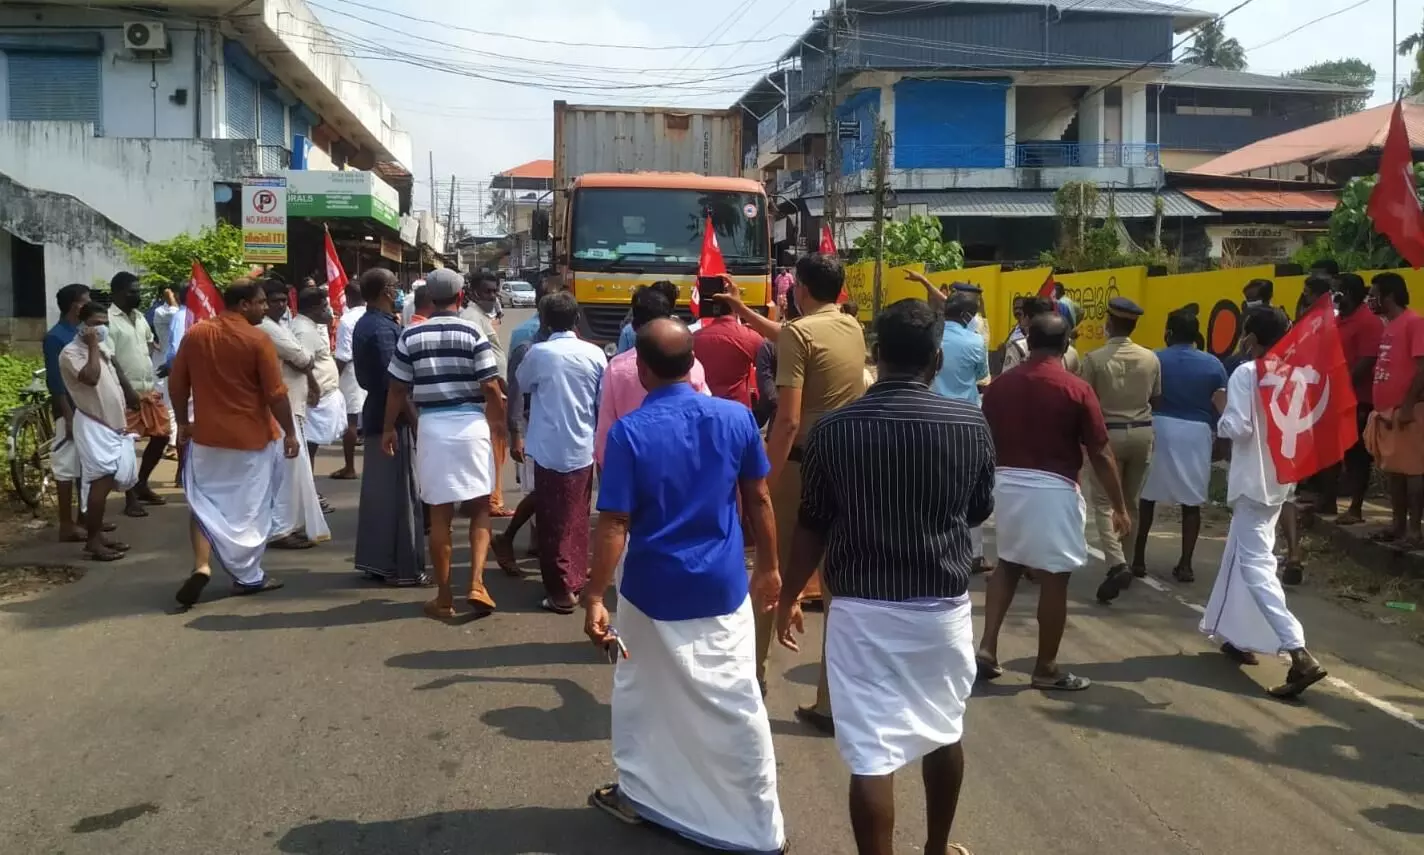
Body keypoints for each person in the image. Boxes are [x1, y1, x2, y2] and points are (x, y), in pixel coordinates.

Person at [776, 300, 990, 855]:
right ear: (937, 359)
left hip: (860, 608)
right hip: (941, 607)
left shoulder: (834, 431)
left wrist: (789, 595)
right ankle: (937, 850)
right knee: (944, 730)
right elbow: (976, 511)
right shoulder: (970, 424)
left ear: (876, 355)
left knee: (871, 753)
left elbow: (811, 527)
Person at [582, 317, 786, 855]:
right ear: (691, 362)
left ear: (642, 370)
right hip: (722, 586)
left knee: (645, 698)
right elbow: (759, 499)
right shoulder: (736, 418)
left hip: (651, 592)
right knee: (734, 700)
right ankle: (756, 823)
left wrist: (595, 595)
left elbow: (615, 525)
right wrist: (769, 566)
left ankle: (647, 796)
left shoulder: (629, 433)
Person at [979, 313, 1130, 692]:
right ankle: (1045, 668)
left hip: (1006, 484)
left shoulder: (999, 387)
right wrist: (1119, 505)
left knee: (1008, 565)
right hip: (1054, 488)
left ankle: (987, 647)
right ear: (1066, 345)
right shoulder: (1076, 388)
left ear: (1027, 342)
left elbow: (985, 438)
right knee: (1054, 576)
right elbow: (1100, 452)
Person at [762, 253, 866, 724]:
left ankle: (752, 679)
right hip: (849, 464)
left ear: (799, 288)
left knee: (771, 571)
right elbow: (793, 342)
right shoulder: (850, 328)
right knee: (837, 584)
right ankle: (829, 700)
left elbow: (785, 421)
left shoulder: (799, 333)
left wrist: (764, 480)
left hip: (804, 465)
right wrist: (748, 317)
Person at [1201, 308, 1327, 697]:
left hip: (1253, 480)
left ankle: (1298, 650)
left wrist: (1221, 407)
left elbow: (1238, 427)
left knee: (1255, 565)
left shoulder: (1246, 372)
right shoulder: (1296, 373)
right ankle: (1235, 635)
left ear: (1251, 337)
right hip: (1279, 478)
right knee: (1240, 558)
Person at [385, 268, 508, 620]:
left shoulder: (412, 334)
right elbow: (489, 384)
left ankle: (443, 597)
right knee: (480, 508)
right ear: (460, 297)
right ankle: (476, 584)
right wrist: (498, 421)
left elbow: (396, 388)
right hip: (470, 424)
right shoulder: (472, 330)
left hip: (432, 427)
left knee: (440, 514)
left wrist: (389, 428)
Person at [170, 280, 298, 607]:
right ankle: (248, 576)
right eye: (260, 302)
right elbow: (275, 394)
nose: (266, 308)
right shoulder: (258, 339)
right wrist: (291, 432)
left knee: (203, 504)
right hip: (251, 439)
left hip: (206, 438)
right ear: (243, 305)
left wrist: (183, 423)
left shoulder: (196, 334)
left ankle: (201, 565)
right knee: (250, 510)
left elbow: (177, 382)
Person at [515, 291, 607, 613]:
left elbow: (522, 383)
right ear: (577, 319)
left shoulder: (540, 353)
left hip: (549, 447)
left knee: (554, 520)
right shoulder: (595, 354)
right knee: (577, 515)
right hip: (582, 444)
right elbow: (601, 399)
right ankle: (575, 578)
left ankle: (561, 592)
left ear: (544, 321)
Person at [1129, 310, 1228, 586]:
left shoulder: (1156, 358)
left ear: (1169, 333)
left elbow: (1144, 395)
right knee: (1192, 500)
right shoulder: (1213, 364)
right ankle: (1185, 564)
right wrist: (1221, 438)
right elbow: (1221, 405)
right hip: (1196, 433)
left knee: (1147, 497)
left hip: (1159, 427)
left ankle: (1137, 559)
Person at [1079, 298, 1161, 602]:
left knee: (1103, 501)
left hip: (1108, 435)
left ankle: (1117, 563)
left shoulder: (1095, 359)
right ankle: (1126, 559)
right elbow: (1157, 398)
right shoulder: (1151, 358)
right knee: (1130, 501)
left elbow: (1085, 403)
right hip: (1142, 433)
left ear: (1109, 323)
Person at [352, 269, 427, 587]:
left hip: (380, 414)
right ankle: (399, 567)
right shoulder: (381, 329)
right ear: (385, 291)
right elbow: (394, 384)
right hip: (390, 419)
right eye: (395, 287)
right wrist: (413, 421)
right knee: (399, 492)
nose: (399, 292)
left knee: (382, 492)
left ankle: (380, 561)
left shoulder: (371, 323)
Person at [594, 287, 711, 466]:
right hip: (684, 464)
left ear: (634, 325)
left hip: (633, 466)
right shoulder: (694, 365)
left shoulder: (617, 368)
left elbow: (605, 434)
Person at [58, 303, 138, 562]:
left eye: (104, 323)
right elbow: (91, 378)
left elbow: (112, 379)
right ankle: (92, 541)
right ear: (81, 325)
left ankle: (98, 535)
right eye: (94, 323)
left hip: (111, 424)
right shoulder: (70, 353)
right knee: (99, 483)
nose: (100, 328)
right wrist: (92, 345)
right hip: (93, 424)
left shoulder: (102, 349)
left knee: (109, 480)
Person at [258, 280, 327, 549]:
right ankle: (280, 530)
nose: (277, 305)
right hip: (280, 407)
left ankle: (288, 525)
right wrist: (301, 361)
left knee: (292, 471)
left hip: (290, 405)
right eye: (271, 300)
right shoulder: (266, 327)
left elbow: (301, 359)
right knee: (287, 470)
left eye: (282, 300)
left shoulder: (280, 326)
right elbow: (302, 358)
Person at [932, 291, 992, 575]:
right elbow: (982, 375)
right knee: (972, 486)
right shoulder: (976, 341)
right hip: (966, 420)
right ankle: (974, 554)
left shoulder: (932, 338)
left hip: (932, 417)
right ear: (968, 316)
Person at [1364, 272, 1424, 548]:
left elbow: (1422, 368)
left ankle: (1414, 531)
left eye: (1374, 294)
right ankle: (1397, 525)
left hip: (1408, 412)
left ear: (1389, 295)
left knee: (1413, 472)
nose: (1370, 299)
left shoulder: (1414, 323)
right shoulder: (1390, 325)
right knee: (1394, 472)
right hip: (1388, 412)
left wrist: (1409, 405)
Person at [107, 271, 171, 518]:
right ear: (117, 293)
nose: (137, 295)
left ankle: (141, 483)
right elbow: (111, 360)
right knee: (127, 445)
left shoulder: (141, 318)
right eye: (132, 291)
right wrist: (128, 391)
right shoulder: (109, 320)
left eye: (138, 291)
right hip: (126, 391)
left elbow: (147, 347)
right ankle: (130, 496)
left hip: (148, 388)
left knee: (162, 434)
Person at [1327, 273, 1384, 526]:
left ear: (1347, 293)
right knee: (1340, 450)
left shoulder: (1368, 321)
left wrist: (1342, 385)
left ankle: (1356, 507)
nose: (1332, 296)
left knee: (1357, 454)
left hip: (1359, 398)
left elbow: (1367, 359)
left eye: (1335, 291)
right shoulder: (1340, 320)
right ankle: (1329, 498)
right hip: (1338, 396)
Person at [461, 270, 512, 516]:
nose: (492, 296)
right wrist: (501, 388)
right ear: (473, 292)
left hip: (493, 392)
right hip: (490, 393)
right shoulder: (472, 317)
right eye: (487, 291)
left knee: (495, 450)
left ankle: (487, 498)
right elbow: (481, 361)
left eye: (495, 291)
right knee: (493, 449)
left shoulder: (480, 316)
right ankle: (491, 501)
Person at [44, 283, 93, 543]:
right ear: (76, 305)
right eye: (86, 300)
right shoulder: (56, 337)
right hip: (69, 409)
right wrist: (68, 414)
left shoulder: (82, 332)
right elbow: (55, 381)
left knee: (86, 465)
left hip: (87, 407)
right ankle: (66, 523)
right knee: (66, 465)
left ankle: (86, 518)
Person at [291, 287, 345, 507]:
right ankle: (308, 495)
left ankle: (308, 492)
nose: (329, 312)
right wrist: (312, 388)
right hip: (312, 400)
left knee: (310, 447)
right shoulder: (303, 330)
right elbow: (302, 363)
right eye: (325, 307)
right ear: (314, 309)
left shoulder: (309, 327)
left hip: (319, 397)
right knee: (308, 447)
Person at [693, 282, 764, 407]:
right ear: (736, 306)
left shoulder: (693, 338)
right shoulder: (751, 337)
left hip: (702, 409)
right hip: (738, 409)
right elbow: (768, 373)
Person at [331, 282, 367, 481]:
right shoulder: (371, 315)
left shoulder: (347, 319)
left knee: (351, 421)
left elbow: (343, 354)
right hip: (370, 369)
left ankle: (350, 467)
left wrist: (334, 379)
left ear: (348, 296)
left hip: (352, 372)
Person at [1000, 296, 1056, 373]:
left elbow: (1006, 378)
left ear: (1026, 317)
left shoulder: (1017, 347)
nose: (1017, 311)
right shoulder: (1062, 346)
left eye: (1020, 309)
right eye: (1015, 308)